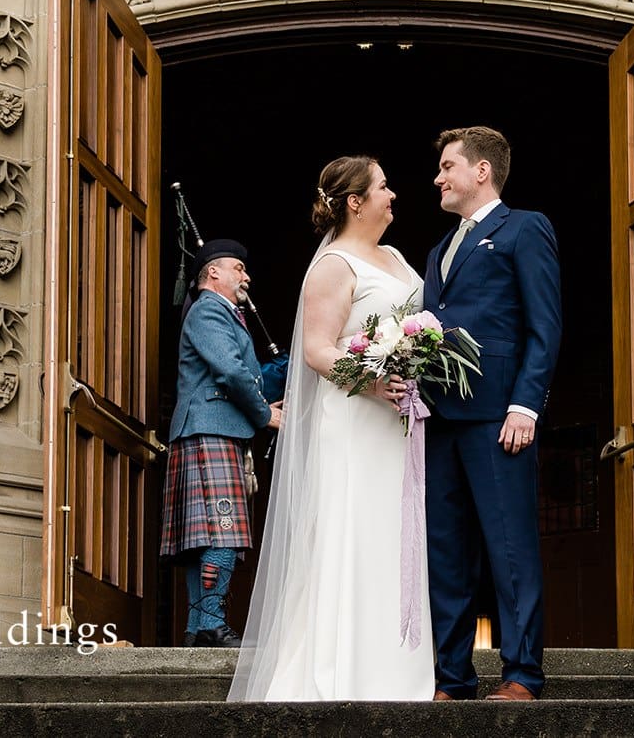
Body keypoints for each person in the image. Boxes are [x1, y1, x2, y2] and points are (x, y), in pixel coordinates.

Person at [228, 156, 435, 701]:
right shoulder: (333, 266)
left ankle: (396, 670)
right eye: (384, 186)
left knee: (396, 535)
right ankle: (339, 670)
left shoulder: (394, 256)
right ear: (355, 202)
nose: (394, 193)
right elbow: (318, 349)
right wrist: (371, 383)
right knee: (353, 530)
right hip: (352, 419)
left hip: (397, 420)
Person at [422, 126, 562, 701]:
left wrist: (525, 404)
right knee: (446, 552)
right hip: (438, 421)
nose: (438, 177)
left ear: (481, 171)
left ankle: (522, 674)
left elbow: (544, 325)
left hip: (499, 416)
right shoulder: (437, 250)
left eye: (448, 166)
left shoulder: (525, 227)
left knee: (509, 548)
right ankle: (451, 678)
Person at [160, 238, 284, 648]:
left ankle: (199, 629)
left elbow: (246, 374)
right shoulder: (210, 309)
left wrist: (288, 372)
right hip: (208, 430)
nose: (246, 276)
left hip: (213, 430)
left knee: (209, 537)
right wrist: (265, 415)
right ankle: (211, 623)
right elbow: (231, 373)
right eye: (239, 268)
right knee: (223, 533)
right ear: (213, 272)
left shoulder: (223, 315)